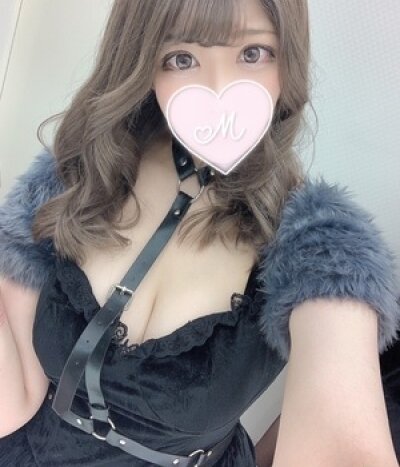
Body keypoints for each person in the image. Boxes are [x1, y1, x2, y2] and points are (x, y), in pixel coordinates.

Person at [0, 0, 399, 466]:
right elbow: (14, 399)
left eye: (252, 53)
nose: (218, 87)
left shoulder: (323, 247)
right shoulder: (76, 177)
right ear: (144, 61)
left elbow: (344, 446)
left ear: (288, 58)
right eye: (182, 58)